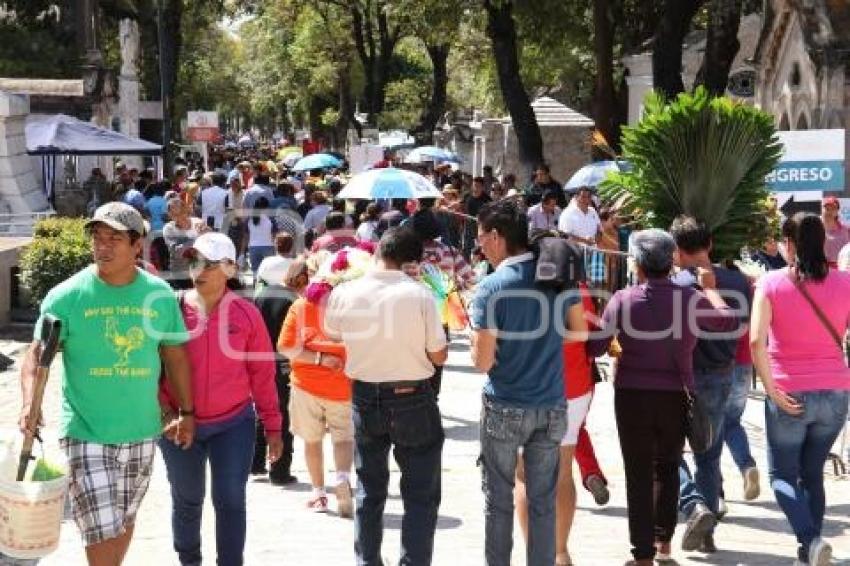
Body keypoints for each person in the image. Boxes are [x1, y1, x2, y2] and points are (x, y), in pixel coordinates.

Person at [19, 202, 194, 566]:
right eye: (98, 238)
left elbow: (174, 356)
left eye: (114, 238)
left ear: (137, 246)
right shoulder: (66, 296)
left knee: (123, 519)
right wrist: (27, 406)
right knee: (100, 527)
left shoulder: (158, 296)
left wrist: (186, 411)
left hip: (142, 430)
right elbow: (38, 356)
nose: (103, 246)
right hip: (85, 432)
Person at [587, 229, 736, 566]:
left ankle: (642, 556)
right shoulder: (692, 298)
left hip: (631, 396)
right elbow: (728, 322)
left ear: (638, 264)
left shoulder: (622, 300)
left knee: (638, 472)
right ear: (671, 262)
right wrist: (710, 290)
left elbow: (596, 346)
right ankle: (663, 545)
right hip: (676, 395)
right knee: (667, 470)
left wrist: (598, 328)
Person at [324, 228, 448, 565]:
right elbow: (438, 357)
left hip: (365, 396)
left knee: (369, 489)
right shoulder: (420, 295)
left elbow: (333, 331)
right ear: (410, 261)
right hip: (413, 397)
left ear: (379, 251)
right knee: (421, 495)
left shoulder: (346, 291)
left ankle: (368, 561)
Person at [159, 232, 283, 566]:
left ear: (230, 269)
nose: (198, 270)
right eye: (194, 261)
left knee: (230, 500)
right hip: (178, 426)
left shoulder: (247, 314)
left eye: (209, 264)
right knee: (187, 500)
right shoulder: (171, 309)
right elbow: (152, 369)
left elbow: (262, 375)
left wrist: (273, 428)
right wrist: (166, 411)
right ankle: (189, 561)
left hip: (233, 425)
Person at [469, 200, 580, 566]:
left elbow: (483, 362)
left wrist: (477, 340)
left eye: (482, 237)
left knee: (498, 499)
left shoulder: (492, 287)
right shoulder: (557, 276)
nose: (479, 244)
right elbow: (578, 331)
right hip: (551, 405)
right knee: (543, 499)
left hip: (505, 405)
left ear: (498, 237)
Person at [750, 213, 850, 565]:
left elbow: (754, 341)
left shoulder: (770, 282)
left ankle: (810, 539)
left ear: (788, 244)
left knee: (781, 476)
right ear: (823, 242)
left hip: (789, 391)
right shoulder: (846, 282)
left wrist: (770, 388)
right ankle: (811, 550)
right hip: (836, 393)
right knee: (812, 474)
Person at [670, 215, 751, 554]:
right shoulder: (738, 280)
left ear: (677, 250)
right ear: (710, 244)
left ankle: (694, 505)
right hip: (722, 373)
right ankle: (707, 531)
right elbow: (744, 327)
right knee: (709, 454)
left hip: (684, 377)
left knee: (668, 451)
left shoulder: (677, 287)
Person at [515, 282, 594, 566]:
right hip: (571, 386)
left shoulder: (513, 283)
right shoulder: (576, 289)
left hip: (526, 389)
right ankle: (560, 553)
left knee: (525, 475)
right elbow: (583, 334)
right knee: (562, 472)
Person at [278, 251, 354, 517]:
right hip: (343, 387)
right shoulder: (351, 307)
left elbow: (286, 347)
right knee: (343, 439)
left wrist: (319, 358)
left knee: (312, 441)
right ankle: (343, 478)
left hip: (306, 386)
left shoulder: (300, 307)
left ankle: (319, 494)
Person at [253, 260, 308, 484]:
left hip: (258, 360)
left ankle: (255, 462)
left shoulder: (261, 293)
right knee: (283, 415)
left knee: (261, 409)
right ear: (302, 279)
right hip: (283, 363)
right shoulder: (295, 301)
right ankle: (280, 469)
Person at [163, 197, 208, 289]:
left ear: (187, 210)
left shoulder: (198, 223)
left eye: (181, 213)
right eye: (174, 215)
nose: (178, 217)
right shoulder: (169, 229)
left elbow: (210, 245)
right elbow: (177, 252)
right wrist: (198, 238)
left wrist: (209, 233)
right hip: (181, 274)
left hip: (201, 272)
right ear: (170, 215)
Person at [247, 197, 277, 280]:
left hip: (253, 247)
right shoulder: (271, 219)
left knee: (255, 271)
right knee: (269, 271)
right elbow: (274, 235)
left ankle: (256, 288)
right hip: (268, 247)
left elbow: (246, 235)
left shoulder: (250, 219)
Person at [820, 196, 849, 267]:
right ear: (821, 210)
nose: (829, 211)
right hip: (820, 269)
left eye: (833, 209)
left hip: (841, 268)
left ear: (837, 212)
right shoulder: (813, 229)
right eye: (827, 208)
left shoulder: (846, 230)